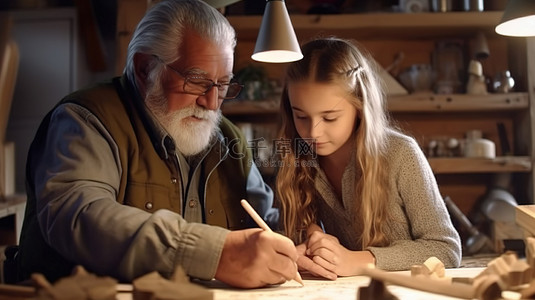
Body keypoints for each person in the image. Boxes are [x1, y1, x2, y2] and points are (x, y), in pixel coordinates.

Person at [14, 0, 299, 288]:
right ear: (144, 68)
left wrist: (300, 239)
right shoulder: (86, 120)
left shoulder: (227, 138)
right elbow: (78, 215)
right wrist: (214, 253)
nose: (211, 103)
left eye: (223, 85)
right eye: (197, 81)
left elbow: (265, 221)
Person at [275, 37, 462, 280]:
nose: (313, 132)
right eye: (301, 116)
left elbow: (446, 249)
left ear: (360, 108)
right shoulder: (296, 156)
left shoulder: (401, 153)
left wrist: (359, 261)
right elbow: (294, 233)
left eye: (330, 118)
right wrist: (307, 246)